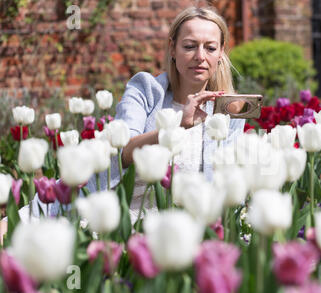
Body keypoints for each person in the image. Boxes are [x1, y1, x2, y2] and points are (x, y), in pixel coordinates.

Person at [16, 6, 245, 223]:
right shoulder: (145, 90)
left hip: (182, 232)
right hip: (111, 217)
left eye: (210, 48)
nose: (200, 56)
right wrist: (175, 128)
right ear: (172, 48)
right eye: (189, 46)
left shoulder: (227, 114)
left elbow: (226, 187)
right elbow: (119, 152)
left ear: (221, 52)